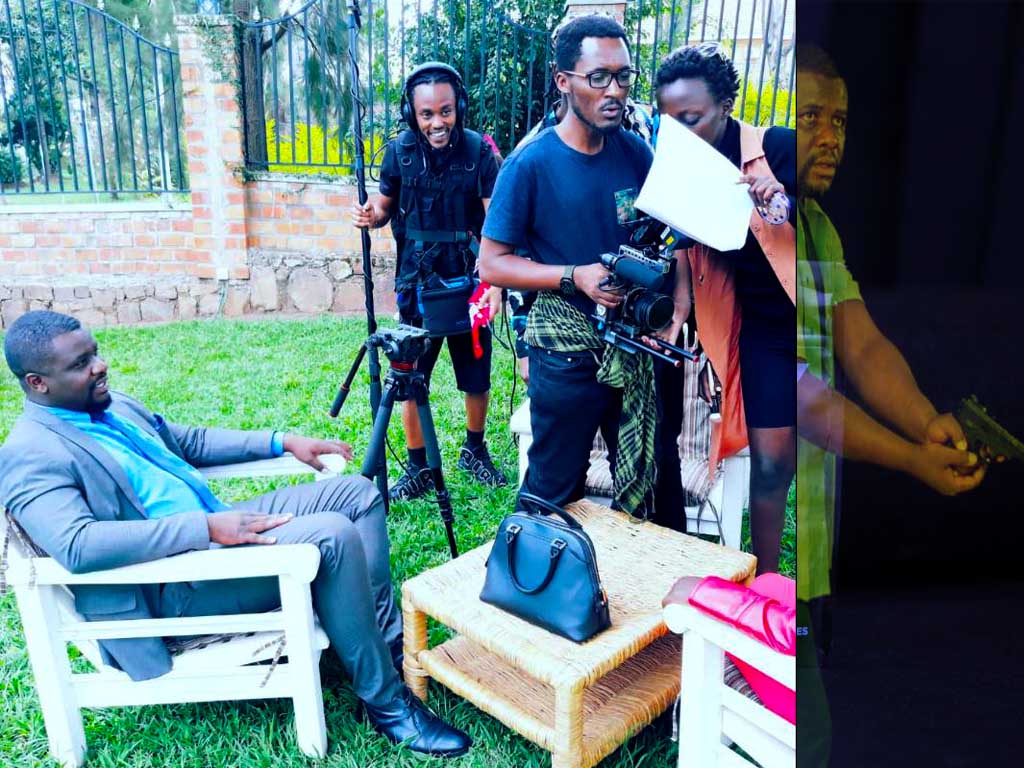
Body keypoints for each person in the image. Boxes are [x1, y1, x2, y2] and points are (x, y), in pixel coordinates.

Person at [0, 311, 471, 758]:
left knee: (357, 495)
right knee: (331, 536)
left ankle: (382, 650)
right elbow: (78, 545)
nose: (100, 366)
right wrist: (203, 528)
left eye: (95, 353)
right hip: (175, 585)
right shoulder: (31, 453)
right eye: (80, 364)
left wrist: (281, 442)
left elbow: (187, 442)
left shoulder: (107, 405)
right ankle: (387, 702)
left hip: (217, 528)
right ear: (38, 382)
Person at [793, 44, 986, 765]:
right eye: (811, 117)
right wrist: (910, 458)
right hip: (758, 534)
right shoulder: (755, 228)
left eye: (840, 121)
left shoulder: (817, 227)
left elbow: (865, 346)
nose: (831, 138)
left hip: (811, 541)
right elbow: (796, 393)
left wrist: (927, 423)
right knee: (798, 732)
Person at [479, 15, 671, 518]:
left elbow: (666, 236)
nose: (615, 91)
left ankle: (640, 567)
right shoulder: (530, 164)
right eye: (599, 77)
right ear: (564, 81)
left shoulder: (635, 153)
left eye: (624, 76)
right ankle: (528, 567)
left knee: (651, 482)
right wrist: (573, 276)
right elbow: (491, 264)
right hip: (566, 353)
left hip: (631, 345)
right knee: (554, 490)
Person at [652, 43, 797, 564]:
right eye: (670, 122)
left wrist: (781, 199)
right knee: (772, 464)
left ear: (725, 106)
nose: (680, 133)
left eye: (692, 118)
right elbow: (682, 241)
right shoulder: (683, 172)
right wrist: (681, 304)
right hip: (764, 332)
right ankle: (767, 581)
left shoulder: (779, 148)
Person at [351, 62, 507, 502]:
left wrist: (496, 282)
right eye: (426, 114)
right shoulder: (398, 153)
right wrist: (371, 216)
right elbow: (384, 208)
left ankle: (474, 450)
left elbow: (496, 220)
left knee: (476, 373)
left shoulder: (479, 152)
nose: (437, 122)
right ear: (411, 114)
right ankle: (418, 466)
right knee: (409, 375)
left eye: (445, 111)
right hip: (416, 282)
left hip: (470, 279)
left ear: (459, 108)